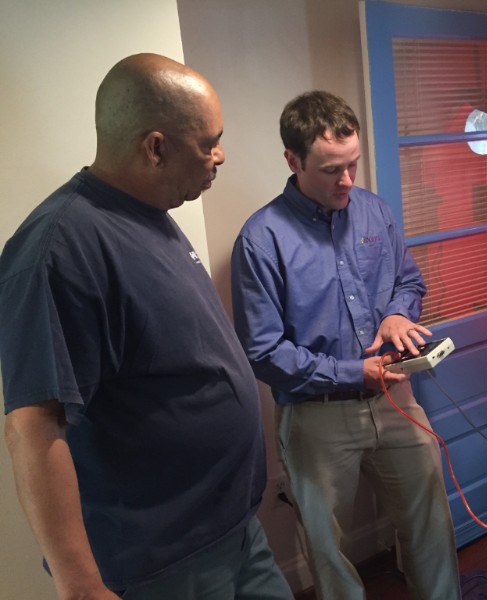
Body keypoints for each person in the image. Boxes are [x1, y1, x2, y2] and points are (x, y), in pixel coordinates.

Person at [0, 53, 293, 600]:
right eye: (209, 142)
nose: (220, 156)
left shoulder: (150, 214)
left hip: (231, 531)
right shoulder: (57, 251)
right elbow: (33, 428)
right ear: (155, 147)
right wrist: (81, 586)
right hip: (162, 563)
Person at [230, 90, 461, 600]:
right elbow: (264, 352)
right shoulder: (261, 239)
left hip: (396, 398)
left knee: (430, 524)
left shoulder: (374, 211)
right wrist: (355, 373)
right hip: (318, 417)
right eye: (332, 169)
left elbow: (409, 281)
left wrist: (400, 311)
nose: (347, 181)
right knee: (328, 551)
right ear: (292, 160)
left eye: (353, 164)